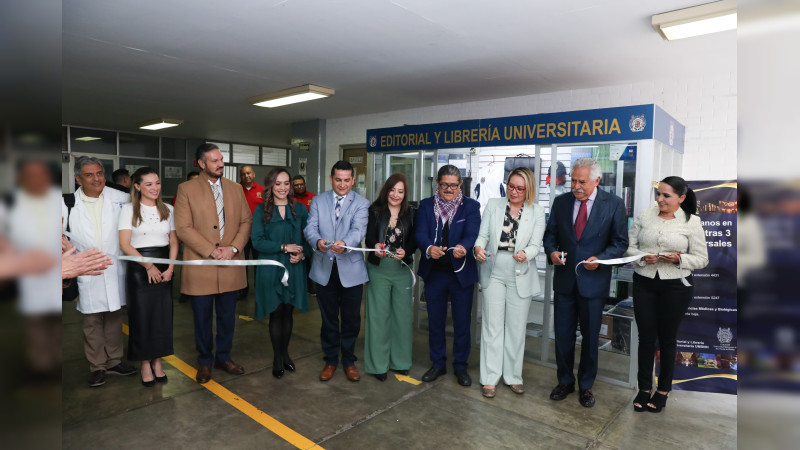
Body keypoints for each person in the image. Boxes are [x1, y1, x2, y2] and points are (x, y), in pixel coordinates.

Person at [542, 158, 628, 407]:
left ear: (597, 180)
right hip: (565, 282)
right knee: (563, 335)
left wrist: (601, 259)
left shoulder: (613, 204)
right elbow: (550, 236)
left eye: (582, 181)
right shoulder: (561, 202)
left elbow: (620, 243)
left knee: (591, 339)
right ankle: (565, 381)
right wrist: (551, 252)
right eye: (573, 181)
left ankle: (586, 386)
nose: (576, 186)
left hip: (593, 283)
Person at [625, 176, 708, 412]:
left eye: (666, 195)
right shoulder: (644, 216)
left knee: (668, 339)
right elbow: (629, 246)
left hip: (676, 286)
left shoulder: (692, 222)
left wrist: (679, 258)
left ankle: (663, 390)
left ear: (681, 198)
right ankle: (643, 388)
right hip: (644, 283)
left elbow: (702, 259)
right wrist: (641, 256)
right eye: (658, 194)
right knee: (646, 338)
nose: (660, 199)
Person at [174, 144, 252, 384]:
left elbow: (246, 221)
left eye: (221, 159)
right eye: (214, 160)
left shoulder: (235, 188)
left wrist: (234, 248)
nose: (220, 164)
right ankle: (205, 361)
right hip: (202, 266)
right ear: (201, 163)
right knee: (202, 318)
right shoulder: (186, 189)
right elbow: (183, 228)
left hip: (231, 263)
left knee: (229, 317)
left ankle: (224, 357)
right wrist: (212, 251)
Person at [474, 167, 546, 398]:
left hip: (520, 271)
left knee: (515, 329)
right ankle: (489, 378)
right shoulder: (494, 205)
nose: (513, 191)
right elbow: (483, 236)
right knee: (492, 327)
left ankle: (513, 377)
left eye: (519, 188)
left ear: (529, 190)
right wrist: (477, 248)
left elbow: (536, 244)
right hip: (494, 269)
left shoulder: (537, 211)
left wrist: (527, 253)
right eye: (510, 186)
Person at [68, 156, 137, 387]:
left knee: (115, 317)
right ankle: (97, 366)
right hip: (87, 270)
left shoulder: (121, 198)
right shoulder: (67, 203)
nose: (96, 178)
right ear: (78, 178)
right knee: (92, 321)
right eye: (89, 175)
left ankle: (115, 361)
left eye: (99, 173)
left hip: (115, 268)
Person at [415, 164, 481, 387]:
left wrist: (464, 245)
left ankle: (461, 367)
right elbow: (420, 234)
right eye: (445, 185)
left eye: (454, 185)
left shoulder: (471, 206)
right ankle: (438, 363)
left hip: (460, 274)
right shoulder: (425, 206)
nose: (450, 189)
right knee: (436, 321)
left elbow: (473, 233)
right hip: (435, 274)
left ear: (460, 184)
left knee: (462, 323)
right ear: (437, 184)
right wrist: (427, 248)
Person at [304, 161, 369, 382]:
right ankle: (331, 359)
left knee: (351, 318)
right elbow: (310, 228)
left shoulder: (362, 203)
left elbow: (358, 230)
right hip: (324, 268)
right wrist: (318, 241)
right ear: (331, 179)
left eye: (347, 180)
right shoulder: (318, 201)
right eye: (338, 179)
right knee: (328, 318)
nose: (342, 184)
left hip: (350, 270)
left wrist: (344, 243)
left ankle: (349, 361)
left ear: (353, 180)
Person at [118, 167, 179, 387]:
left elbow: (173, 242)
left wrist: (170, 268)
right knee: (142, 318)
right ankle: (145, 363)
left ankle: (158, 362)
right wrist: (148, 265)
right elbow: (125, 244)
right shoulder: (128, 210)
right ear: (137, 187)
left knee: (162, 318)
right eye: (149, 184)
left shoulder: (168, 209)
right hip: (139, 269)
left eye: (158, 183)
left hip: (164, 267)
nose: (155, 188)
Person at [251, 168, 311, 379]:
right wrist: (285, 247)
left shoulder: (300, 209)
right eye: (278, 184)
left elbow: (310, 238)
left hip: (294, 267)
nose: (283, 188)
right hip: (271, 267)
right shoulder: (261, 210)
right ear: (270, 186)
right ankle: (278, 357)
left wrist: (302, 254)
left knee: (288, 311)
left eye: (286, 183)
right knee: (276, 312)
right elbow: (257, 242)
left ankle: (285, 354)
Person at [364, 174, 417, 381]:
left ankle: (401, 362)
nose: (396, 195)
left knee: (402, 318)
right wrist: (375, 245)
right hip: (379, 269)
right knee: (378, 317)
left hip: (402, 269)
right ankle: (378, 365)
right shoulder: (374, 210)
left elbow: (415, 238)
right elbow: (368, 236)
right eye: (392, 190)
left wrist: (408, 250)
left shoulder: (412, 212)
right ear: (386, 190)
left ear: (405, 194)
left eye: (400, 191)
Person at [239, 165, 265, 299]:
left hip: (259, 234)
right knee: (242, 263)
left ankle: (259, 289)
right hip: (241, 233)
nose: (246, 176)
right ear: (240, 176)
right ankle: (242, 289)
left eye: (248, 173)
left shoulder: (262, 190)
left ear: (253, 174)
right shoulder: (236, 190)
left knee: (258, 262)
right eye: (243, 174)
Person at [293, 174, 317, 295]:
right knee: (295, 263)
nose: (299, 187)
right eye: (296, 185)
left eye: (301, 184)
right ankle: (297, 288)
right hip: (294, 238)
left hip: (308, 238)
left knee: (309, 262)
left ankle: (310, 287)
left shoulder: (313, 198)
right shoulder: (289, 199)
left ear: (305, 184)